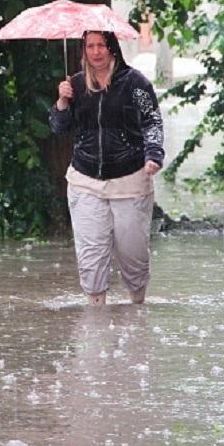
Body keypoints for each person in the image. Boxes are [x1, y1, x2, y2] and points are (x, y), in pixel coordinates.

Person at [49, 31, 164, 306]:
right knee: (91, 255)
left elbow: (152, 121)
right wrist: (62, 102)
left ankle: (137, 311)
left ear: (112, 48)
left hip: (130, 178)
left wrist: (154, 155)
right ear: (84, 50)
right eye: (91, 46)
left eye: (102, 45)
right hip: (85, 179)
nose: (96, 51)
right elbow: (58, 127)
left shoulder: (135, 82)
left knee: (132, 255)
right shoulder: (74, 84)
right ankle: (95, 321)